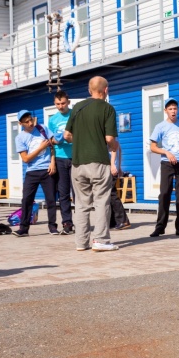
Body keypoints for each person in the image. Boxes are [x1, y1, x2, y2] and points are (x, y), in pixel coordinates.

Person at [64, 76, 119, 252]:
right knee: (101, 202)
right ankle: (100, 240)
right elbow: (109, 138)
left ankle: (81, 243)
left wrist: (81, 140)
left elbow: (66, 135)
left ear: (89, 90)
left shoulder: (77, 108)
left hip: (77, 163)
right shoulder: (108, 109)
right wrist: (114, 146)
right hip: (99, 162)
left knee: (81, 204)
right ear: (106, 90)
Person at [148, 98, 179, 238]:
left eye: (175, 108)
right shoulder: (160, 127)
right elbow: (153, 147)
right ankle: (160, 227)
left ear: (177, 110)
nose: (173, 111)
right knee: (164, 194)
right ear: (165, 111)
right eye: (170, 109)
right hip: (167, 164)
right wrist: (166, 153)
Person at [13, 110, 59, 237]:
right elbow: (26, 159)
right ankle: (23, 228)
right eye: (26, 122)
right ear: (21, 124)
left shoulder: (42, 128)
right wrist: (40, 148)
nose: (30, 123)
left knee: (51, 199)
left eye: (31, 120)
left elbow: (52, 146)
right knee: (27, 199)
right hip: (32, 171)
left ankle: (52, 226)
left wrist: (53, 162)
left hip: (47, 170)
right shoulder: (19, 138)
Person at [49, 90, 75, 235]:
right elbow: (50, 141)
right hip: (60, 157)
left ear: (68, 102)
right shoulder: (53, 120)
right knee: (63, 193)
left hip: (75, 157)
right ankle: (67, 222)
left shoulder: (75, 115)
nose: (60, 106)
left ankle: (82, 221)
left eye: (63, 103)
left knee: (78, 192)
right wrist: (55, 140)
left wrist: (71, 138)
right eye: (58, 104)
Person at [109, 140, 131, 230]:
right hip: (113, 166)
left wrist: (113, 165)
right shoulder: (114, 136)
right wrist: (119, 166)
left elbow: (116, 147)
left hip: (111, 168)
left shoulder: (110, 137)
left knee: (111, 194)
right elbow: (119, 150)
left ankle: (123, 220)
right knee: (108, 194)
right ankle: (113, 221)